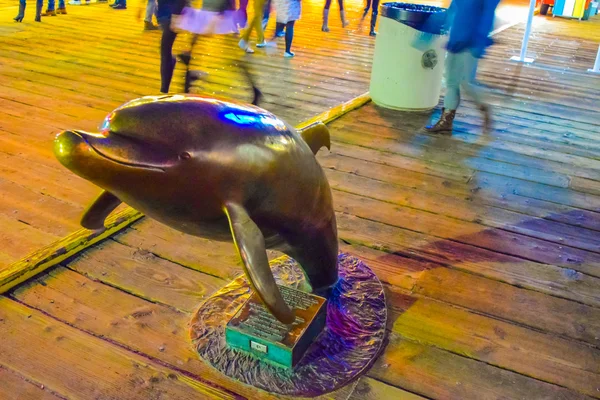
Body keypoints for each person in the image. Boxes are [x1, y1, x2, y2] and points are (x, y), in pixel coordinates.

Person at [423, 0, 500, 134]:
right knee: (451, 81)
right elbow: (452, 10)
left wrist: (479, 42)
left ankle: (484, 106)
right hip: (456, 41)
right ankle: (446, 120)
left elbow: (487, 16)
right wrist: (429, 32)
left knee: (466, 82)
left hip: (471, 43)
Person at [157, 0, 188, 93]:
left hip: (173, 14)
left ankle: (164, 89)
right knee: (165, 50)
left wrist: (176, 15)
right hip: (164, 12)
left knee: (165, 49)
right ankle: (176, 59)